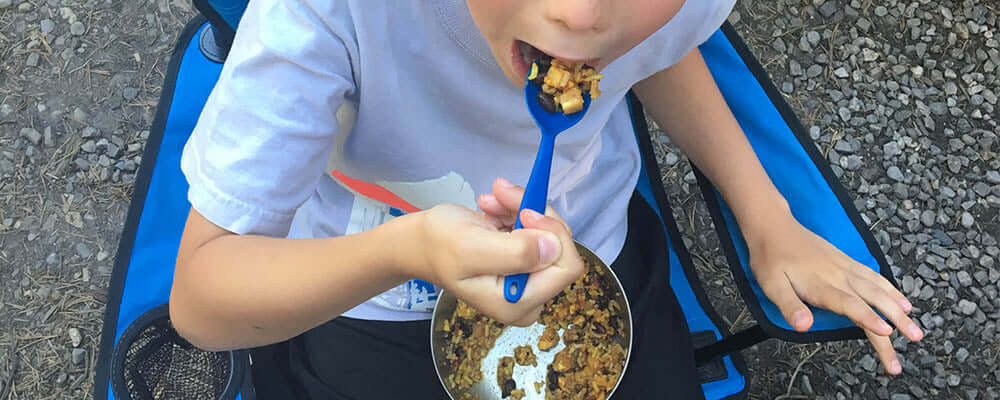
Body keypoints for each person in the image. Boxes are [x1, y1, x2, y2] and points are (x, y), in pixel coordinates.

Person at [169, 0, 925, 398]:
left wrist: (768, 217)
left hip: (603, 251)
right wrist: (410, 250)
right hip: (369, 294)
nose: (581, 15)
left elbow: (660, 51)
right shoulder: (329, 14)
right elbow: (202, 303)